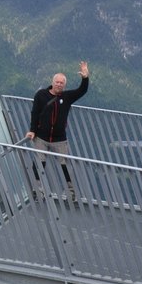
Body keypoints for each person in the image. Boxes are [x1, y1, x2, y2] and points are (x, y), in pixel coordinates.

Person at [26, 61, 89, 203]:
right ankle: (38, 191)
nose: (59, 84)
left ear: (64, 85)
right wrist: (32, 131)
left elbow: (82, 91)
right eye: (57, 82)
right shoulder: (40, 95)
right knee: (39, 163)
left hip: (60, 139)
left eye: (62, 83)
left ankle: (71, 193)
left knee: (65, 165)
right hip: (41, 137)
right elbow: (35, 113)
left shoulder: (67, 97)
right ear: (52, 82)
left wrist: (85, 77)